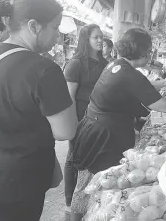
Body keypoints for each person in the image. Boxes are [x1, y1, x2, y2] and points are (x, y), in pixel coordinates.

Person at [69, 28, 166, 221]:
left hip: (94, 129)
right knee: (100, 186)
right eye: (149, 49)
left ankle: (79, 217)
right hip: (103, 137)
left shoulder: (117, 65)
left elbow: (142, 86)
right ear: (143, 51)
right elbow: (165, 105)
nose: (151, 54)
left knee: (89, 184)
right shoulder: (129, 74)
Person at [0, 0, 78, 221]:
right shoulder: (44, 70)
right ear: (34, 26)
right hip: (17, 184)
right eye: (56, 27)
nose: (58, 37)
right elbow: (65, 131)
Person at [63, 24, 108, 213]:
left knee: (92, 157)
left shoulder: (104, 63)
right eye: (95, 37)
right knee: (74, 158)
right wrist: (73, 122)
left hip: (98, 119)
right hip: (81, 117)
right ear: (86, 40)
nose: (100, 40)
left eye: (101, 37)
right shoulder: (76, 64)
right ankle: (69, 202)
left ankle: (85, 201)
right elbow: (69, 97)